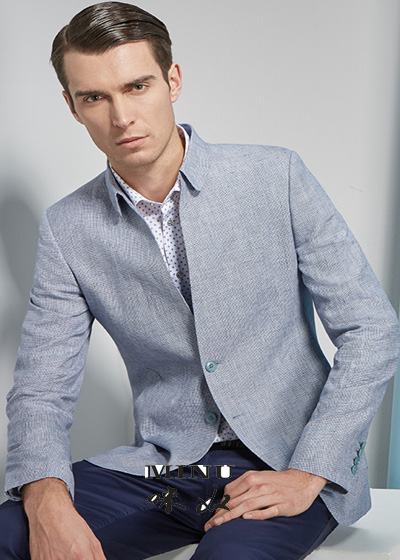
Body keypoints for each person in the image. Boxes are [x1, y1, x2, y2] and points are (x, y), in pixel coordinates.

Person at [1, 2, 399, 559]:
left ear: (172, 81)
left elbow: (371, 329)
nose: (122, 117)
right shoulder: (69, 227)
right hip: (165, 466)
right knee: (10, 533)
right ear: (72, 106)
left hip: (286, 460)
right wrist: (45, 498)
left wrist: (309, 471)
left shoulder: (275, 177)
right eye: (95, 97)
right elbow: (42, 388)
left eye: (137, 86)